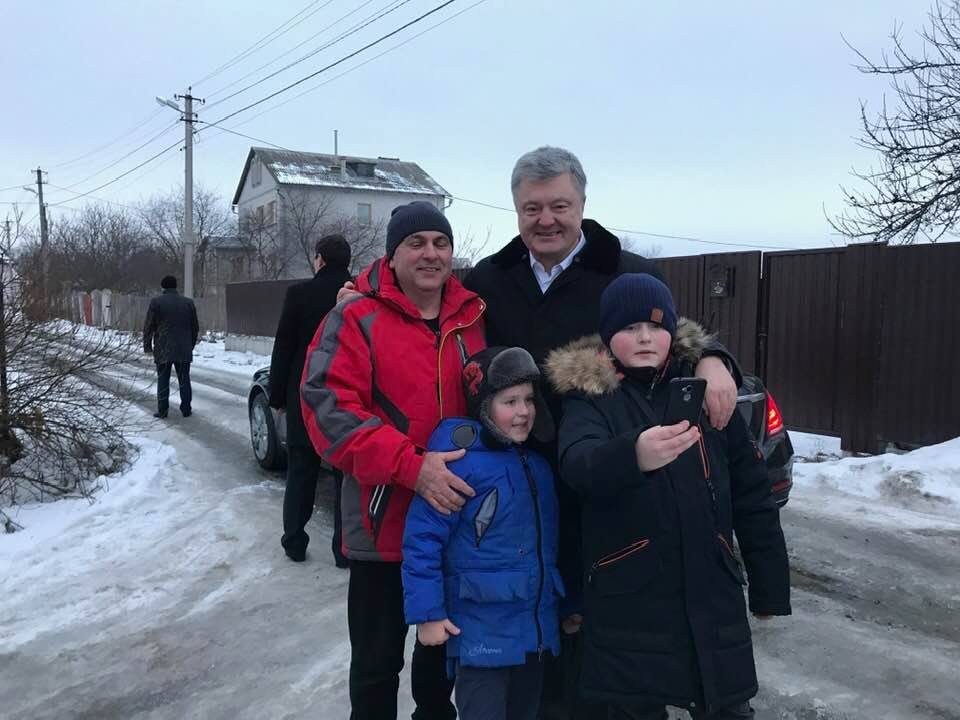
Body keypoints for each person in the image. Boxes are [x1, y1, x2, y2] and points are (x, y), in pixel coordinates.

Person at [460, 146, 741, 718]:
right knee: (539, 619)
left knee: (606, 632)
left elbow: (676, 341)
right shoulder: (489, 278)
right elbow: (431, 313)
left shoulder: (629, 272)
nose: (546, 219)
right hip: (526, 479)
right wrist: (358, 292)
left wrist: (716, 358)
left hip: (612, 478)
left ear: (583, 204)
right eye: (532, 208)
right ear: (516, 209)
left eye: (559, 205)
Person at [547, 273, 791, 720]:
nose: (645, 337)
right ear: (608, 334)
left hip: (712, 592)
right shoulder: (590, 399)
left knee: (726, 703)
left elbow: (753, 495)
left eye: (656, 326)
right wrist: (633, 455)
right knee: (634, 708)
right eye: (630, 327)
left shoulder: (704, 393)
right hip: (629, 598)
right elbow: (578, 464)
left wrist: (769, 587)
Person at [300, 201, 486, 720]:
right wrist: (411, 466)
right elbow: (328, 408)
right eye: (416, 243)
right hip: (383, 527)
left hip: (452, 524)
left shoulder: (473, 319)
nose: (431, 254)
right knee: (376, 670)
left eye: (441, 243)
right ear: (392, 254)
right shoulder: (355, 317)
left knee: (441, 672)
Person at [402, 346, 560, 720]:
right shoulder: (458, 465)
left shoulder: (538, 466)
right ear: (484, 406)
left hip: (533, 633)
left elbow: (546, 551)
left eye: (529, 400)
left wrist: (563, 607)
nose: (523, 411)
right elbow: (423, 541)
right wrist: (428, 614)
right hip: (479, 635)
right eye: (509, 401)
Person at [269, 234, 353, 564]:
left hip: (304, 394)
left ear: (320, 259)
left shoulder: (299, 294)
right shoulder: (360, 294)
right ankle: (344, 550)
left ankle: (294, 542)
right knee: (346, 476)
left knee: (301, 471)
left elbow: (284, 347)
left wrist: (278, 395)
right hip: (347, 395)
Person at [143, 275, 199, 419]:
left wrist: (147, 346)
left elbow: (149, 326)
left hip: (163, 347)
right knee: (184, 379)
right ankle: (186, 409)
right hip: (183, 347)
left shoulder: (156, 302)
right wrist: (190, 345)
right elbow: (195, 327)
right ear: (176, 286)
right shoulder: (188, 303)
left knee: (163, 379)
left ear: (163, 287)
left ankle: (163, 410)